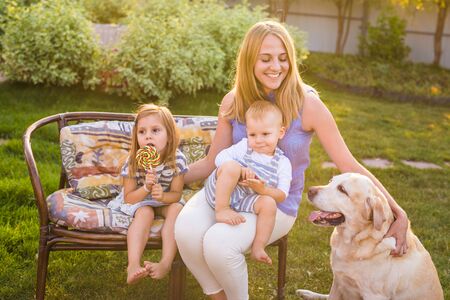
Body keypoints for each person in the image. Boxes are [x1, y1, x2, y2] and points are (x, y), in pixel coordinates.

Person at [174, 20, 409, 300]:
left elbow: (349, 165)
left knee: (218, 244)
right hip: (226, 193)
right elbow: (212, 162)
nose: (276, 66)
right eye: (266, 59)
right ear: (249, 61)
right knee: (186, 232)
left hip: (276, 204)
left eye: (283, 58)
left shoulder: (308, 105)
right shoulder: (233, 101)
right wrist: (172, 175)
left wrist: (398, 212)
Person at [108, 104, 188, 284]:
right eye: (142, 132)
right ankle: (133, 265)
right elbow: (129, 198)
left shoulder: (177, 160)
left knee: (176, 209)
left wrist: (163, 197)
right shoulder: (133, 163)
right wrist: (145, 188)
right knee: (146, 213)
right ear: (136, 137)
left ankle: (166, 263)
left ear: (169, 136)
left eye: (155, 130)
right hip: (139, 199)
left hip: (165, 199)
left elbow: (176, 194)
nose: (148, 136)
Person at [204, 100, 292, 265]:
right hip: (222, 192)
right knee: (231, 166)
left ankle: (258, 247)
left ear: (280, 132)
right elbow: (219, 158)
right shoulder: (244, 147)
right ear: (247, 133)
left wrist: (263, 189)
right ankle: (222, 210)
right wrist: (240, 168)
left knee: (269, 203)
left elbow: (282, 195)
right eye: (253, 134)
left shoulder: (282, 162)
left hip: (245, 199)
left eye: (265, 134)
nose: (258, 140)